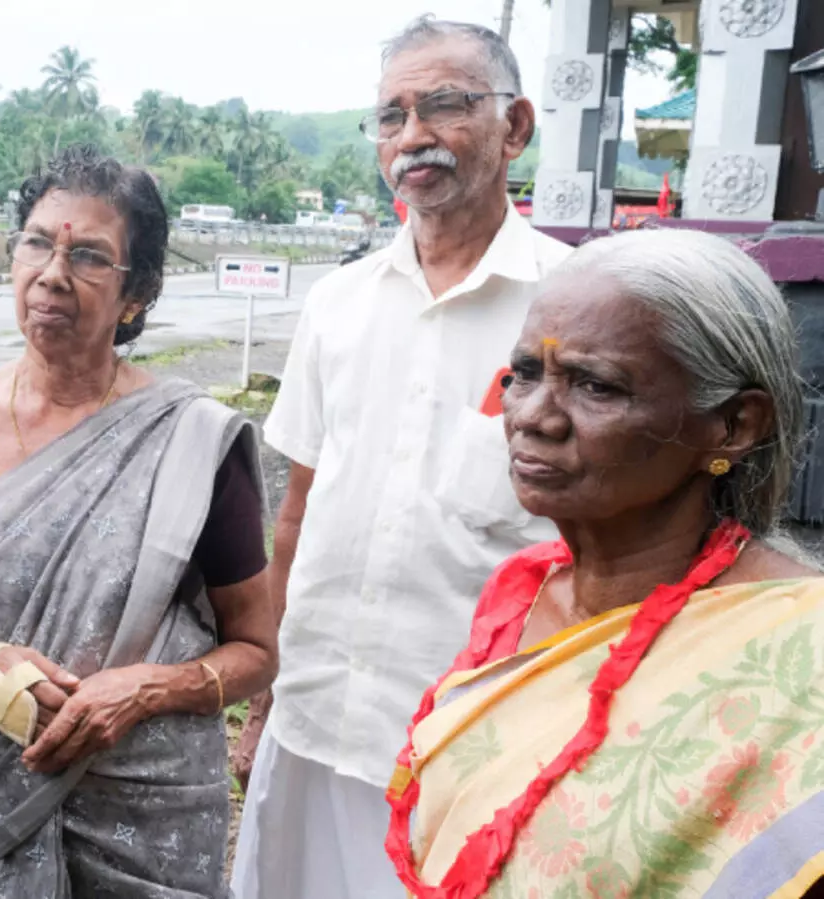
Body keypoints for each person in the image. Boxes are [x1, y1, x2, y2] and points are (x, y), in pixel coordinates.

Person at [0, 145, 278, 898]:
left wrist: (149, 690)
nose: (52, 274)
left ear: (137, 292)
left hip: (143, 827)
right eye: (36, 243)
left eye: (89, 255)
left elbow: (256, 649)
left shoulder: (190, 442)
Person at [230, 15, 574, 898]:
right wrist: (265, 689)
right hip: (313, 721)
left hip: (480, 742)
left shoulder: (573, 308)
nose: (412, 136)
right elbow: (299, 511)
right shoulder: (338, 304)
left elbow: (605, 541)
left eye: (445, 105)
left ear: (516, 126)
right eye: (390, 116)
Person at [389, 228, 824, 898]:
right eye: (523, 374)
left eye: (595, 385)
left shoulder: (801, 656)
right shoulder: (525, 591)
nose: (534, 416)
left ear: (734, 426)